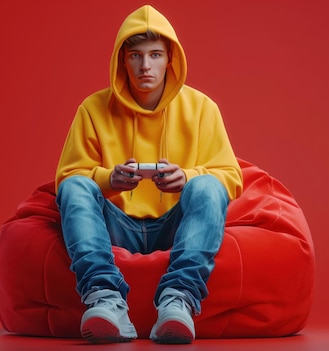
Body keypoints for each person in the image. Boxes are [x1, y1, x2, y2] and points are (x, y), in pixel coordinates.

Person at [55, 5, 243, 344]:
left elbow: (230, 176)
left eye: (155, 55)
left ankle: (179, 299)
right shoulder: (92, 109)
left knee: (208, 187)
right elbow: (69, 176)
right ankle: (105, 297)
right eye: (135, 56)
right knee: (75, 188)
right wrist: (108, 180)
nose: (145, 66)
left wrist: (187, 178)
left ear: (169, 58)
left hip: (176, 224)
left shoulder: (202, 108)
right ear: (122, 60)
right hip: (116, 225)